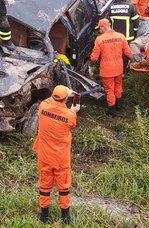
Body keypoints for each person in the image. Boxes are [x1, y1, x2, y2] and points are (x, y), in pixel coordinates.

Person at [32, 85, 80, 224]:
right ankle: (65, 218)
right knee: (63, 186)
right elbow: (71, 125)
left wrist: (63, 94)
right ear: (66, 99)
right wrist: (73, 111)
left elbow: (50, 100)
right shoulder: (69, 115)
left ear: (53, 96)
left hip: (45, 156)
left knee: (44, 185)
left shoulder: (43, 106)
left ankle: (44, 216)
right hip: (60, 158)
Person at [90, 18, 133, 116]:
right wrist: (134, 61)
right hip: (118, 68)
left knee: (109, 89)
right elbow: (128, 52)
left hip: (107, 69)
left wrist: (91, 57)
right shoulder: (121, 36)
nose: (99, 31)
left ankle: (112, 110)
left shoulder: (99, 39)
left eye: (99, 28)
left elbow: (94, 58)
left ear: (104, 27)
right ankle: (119, 105)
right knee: (118, 85)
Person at [109, 0, 139, 73]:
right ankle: (123, 72)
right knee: (126, 54)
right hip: (127, 37)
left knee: (116, 55)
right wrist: (135, 34)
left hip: (114, 38)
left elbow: (108, 22)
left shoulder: (111, 7)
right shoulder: (131, 7)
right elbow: (136, 22)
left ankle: (115, 70)